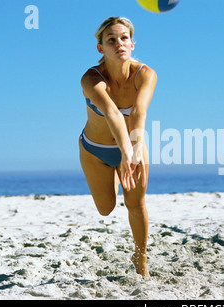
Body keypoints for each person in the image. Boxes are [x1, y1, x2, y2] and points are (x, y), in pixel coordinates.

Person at [79, 17, 157, 278]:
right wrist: (124, 154)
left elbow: (138, 112)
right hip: (95, 151)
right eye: (111, 40)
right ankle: (113, 173)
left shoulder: (145, 74)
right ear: (101, 48)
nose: (119, 43)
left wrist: (134, 151)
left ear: (132, 44)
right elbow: (111, 112)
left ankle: (141, 260)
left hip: (134, 146)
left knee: (135, 205)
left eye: (124, 38)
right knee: (105, 209)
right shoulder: (91, 78)